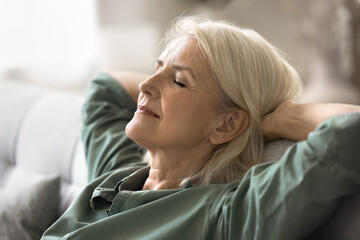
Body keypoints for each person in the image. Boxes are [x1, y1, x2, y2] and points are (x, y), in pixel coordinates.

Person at [42, 16, 360, 239]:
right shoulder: (116, 174)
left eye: (179, 81)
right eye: (156, 69)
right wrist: (173, 73)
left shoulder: (225, 215)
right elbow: (104, 88)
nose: (145, 85)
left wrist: (281, 118)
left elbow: (351, 130)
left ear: (227, 124)